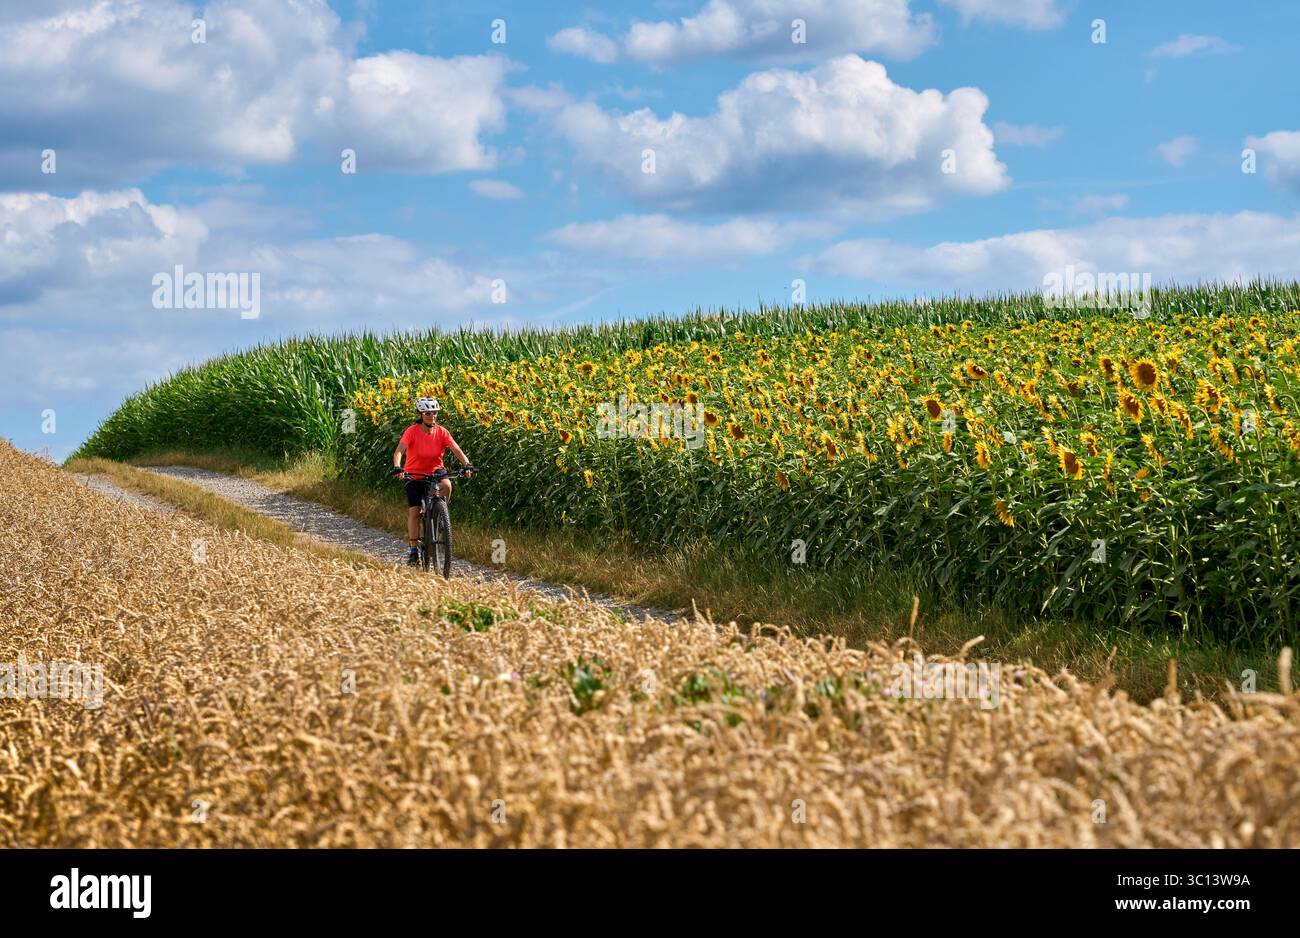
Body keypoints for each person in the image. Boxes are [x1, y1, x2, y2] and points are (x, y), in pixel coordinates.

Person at [391, 397, 473, 565]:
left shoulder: (442, 432)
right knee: (415, 512)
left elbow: (455, 448)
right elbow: (399, 450)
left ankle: (440, 514)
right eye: (428, 413)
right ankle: (413, 551)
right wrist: (398, 467)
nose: (432, 416)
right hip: (414, 474)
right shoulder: (412, 431)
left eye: (435, 413)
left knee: (447, 485)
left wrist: (467, 465)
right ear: (421, 414)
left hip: (435, 471)